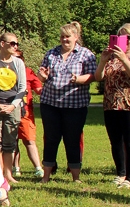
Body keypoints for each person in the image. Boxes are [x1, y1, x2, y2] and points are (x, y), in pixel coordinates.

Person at [37, 22, 97, 183]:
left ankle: (75, 177)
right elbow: (43, 74)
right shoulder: (52, 53)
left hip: (75, 105)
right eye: (62, 36)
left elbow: (94, 76)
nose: (64, 40)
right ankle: (46, 175)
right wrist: (42, 75)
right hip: (50, 104)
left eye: (68, 36)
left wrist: (79, 79)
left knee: (72, 140)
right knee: (51, 139)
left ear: (76, 37)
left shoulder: (85, 54)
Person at [95, 23, 130, 188]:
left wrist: (125, 59)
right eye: (120, 37)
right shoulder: (111, 57)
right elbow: (98, 77)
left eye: (128, 38)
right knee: (115, 141)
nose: (124, 41)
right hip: (111, 104)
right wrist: (103, 61)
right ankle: (120, 173)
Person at [0, 33, 27, 184]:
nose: (15, 47)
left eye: (16, 44)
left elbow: (22, 87)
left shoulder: (18, 63)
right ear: (2, 44)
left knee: (10, 143)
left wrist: (13, 105)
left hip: (13, 106)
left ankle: (8, 174)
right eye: (12, 43)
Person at [12, 49, 44, 178]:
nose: (16, 60)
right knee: (12, 142)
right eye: (13, 57)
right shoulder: (2, 70)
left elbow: (39, 90)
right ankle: (15, 168)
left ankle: (38, 168)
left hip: (26, 112)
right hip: (9, 110)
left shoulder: (28, 72)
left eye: (19, 57)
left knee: (29, 140)